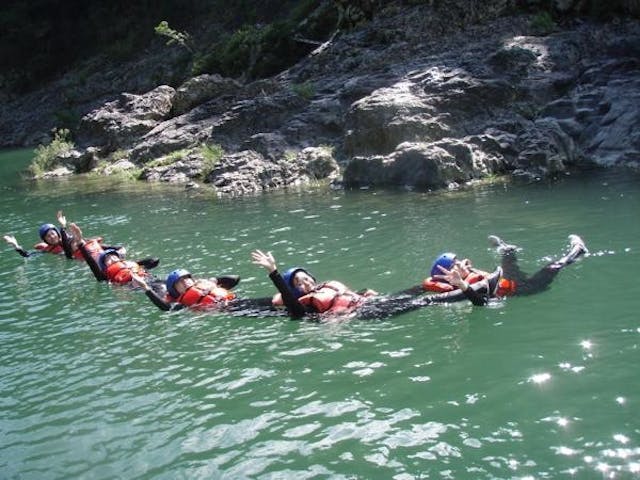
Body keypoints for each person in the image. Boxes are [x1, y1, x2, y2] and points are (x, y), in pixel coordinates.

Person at [250, 250, 490, 320]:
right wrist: (274, 273)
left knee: (419, 290)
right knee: (425, 301)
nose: (306, 283)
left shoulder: (324, 288)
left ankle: (457, 283)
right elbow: (295, 310)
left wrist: (364, 292)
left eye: (307, 278)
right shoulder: (307, 307)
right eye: (299, 283)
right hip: (363, 314)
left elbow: (347, 294)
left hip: (369, 302)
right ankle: (469, 292)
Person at [415, 234, 588, 300]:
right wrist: (462, 284)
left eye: (458, 260)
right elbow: (477, 300)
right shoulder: (463, 290)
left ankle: (505, 249)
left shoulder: (468, 275)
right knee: (553, 266)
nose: (460, 263)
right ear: (447, 276)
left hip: (508, 280)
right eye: (455, 264)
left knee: (508, 258)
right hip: (522, 289)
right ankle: (578, 251)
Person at [69, 222, 160, 285]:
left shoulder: (129, 264)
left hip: (150, 279)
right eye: (107, 259)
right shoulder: (104, 276)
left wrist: (135, 264)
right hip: (136, 288)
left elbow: (154, 260)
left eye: (113, 257)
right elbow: (90, 262)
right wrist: (80, 242)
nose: (112, 259)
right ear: (104, 267)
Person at [3, 210, 115, 261]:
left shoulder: (69, 239)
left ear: (57, 233)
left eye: (52, 233)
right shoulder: (47, 249)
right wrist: (16, 245)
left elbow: (85, 243)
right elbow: (28, 255)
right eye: (48, 236)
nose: (51, 237)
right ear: (45, 240)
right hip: (75, 260)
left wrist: (113, 248)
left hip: (85, 256)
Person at [131, 269, 241, 311]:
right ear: (175, 291)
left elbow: (234, 279)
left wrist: (213, 281)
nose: (185, 282)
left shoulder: (204, 285)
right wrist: (145, 288)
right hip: (228, 310)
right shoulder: (182, 303)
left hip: (235, 302)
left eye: (187, 279)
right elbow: (165, 307)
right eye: (180, 282)